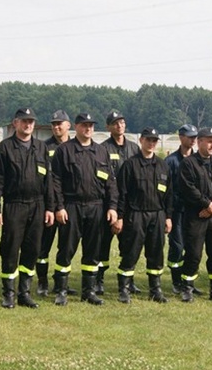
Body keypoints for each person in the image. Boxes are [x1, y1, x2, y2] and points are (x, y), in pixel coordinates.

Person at [51, 113, 118, 306]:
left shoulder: (101, 151)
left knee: (93, 251)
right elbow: (55, 182)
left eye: (91, 125)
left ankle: (88, 291)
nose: (88, 128)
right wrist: (59, 207)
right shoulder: (65, 151)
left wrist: (112, 207)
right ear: (76, 127)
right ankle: (61, 290)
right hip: (72, 206)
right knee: (66, 249)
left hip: (96, 207)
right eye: (84, 125)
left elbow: (110, 182)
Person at [0, 108, 52, 309]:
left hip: (38, 205)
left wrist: (50, 208)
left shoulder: (41, 148)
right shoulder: (5, 148)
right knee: (10, 249)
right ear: (15, 123)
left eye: (31, 121)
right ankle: (9, 293)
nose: (28, 125)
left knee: (32, 250)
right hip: (14, 205)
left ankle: (24, 292)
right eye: (24, 121)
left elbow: (49, 180)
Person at [113, 127, 172, 304]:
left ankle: (155, 290)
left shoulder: (163, 165)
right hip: (135, 215)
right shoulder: (130, 165)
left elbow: (169, 194)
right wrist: (120, 217)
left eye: (154, 141)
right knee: (131, 253)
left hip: (157, 215)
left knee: (156, 253)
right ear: (141, 141)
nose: (151, 143)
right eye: (148, 140)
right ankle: (124, 289)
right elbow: (122, 193)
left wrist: (168, 217)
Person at [177, 127, 212, 303]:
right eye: (208, 141)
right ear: (199, 142)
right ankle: (187, 288)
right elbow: (187, 188)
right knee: (193, 253)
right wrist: (206, 204)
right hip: (195, 216)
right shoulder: (188, 164)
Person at [97, 110, 139, 295]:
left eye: (121, 122)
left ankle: (129, 281)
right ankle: (98, 280)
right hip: (107, 205)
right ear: (108, 127)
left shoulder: (134, 148)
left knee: (129, 245)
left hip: (129, 206)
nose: (119, 125)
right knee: (102, 245)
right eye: (115, 123)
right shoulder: (102, 149)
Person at [36, 110, 73, 297]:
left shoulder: (75, 147)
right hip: (48, 203)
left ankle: (61, 282)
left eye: (60, 123)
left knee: (66, 245)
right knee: (43, 246)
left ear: (69, 125)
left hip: (70, 204)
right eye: (54, 123)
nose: (56, 126)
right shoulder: (44, 147)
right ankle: (42, 281)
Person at [165, 124, 198, 295]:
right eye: (189, 136)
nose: (193, 140)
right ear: (180, 137)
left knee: (193, 247)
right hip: (176, 211)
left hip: (194, 212)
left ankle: (188, 281)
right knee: (177, 246)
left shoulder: (198, 159)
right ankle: (176, 280)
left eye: (194, 137)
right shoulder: (171, 161)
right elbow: (165, 188)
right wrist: (167, 214)